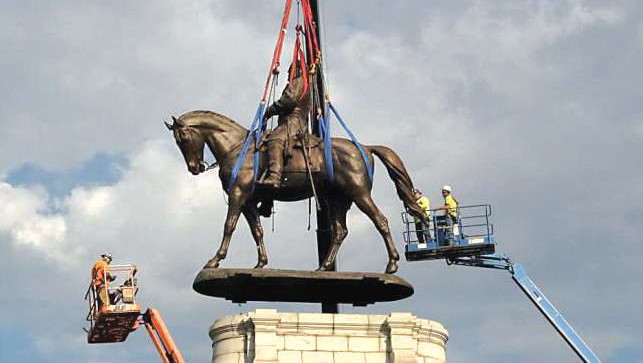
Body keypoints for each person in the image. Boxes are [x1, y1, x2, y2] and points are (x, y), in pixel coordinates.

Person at [259, 62, 311, 188]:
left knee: (274, 140)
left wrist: (270, 110)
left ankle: (274, 176)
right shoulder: (304, 83)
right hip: (292, 121)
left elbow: (289, 100)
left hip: (292, 123)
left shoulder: (299, 81)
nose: (288, 76)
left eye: (289, 72)